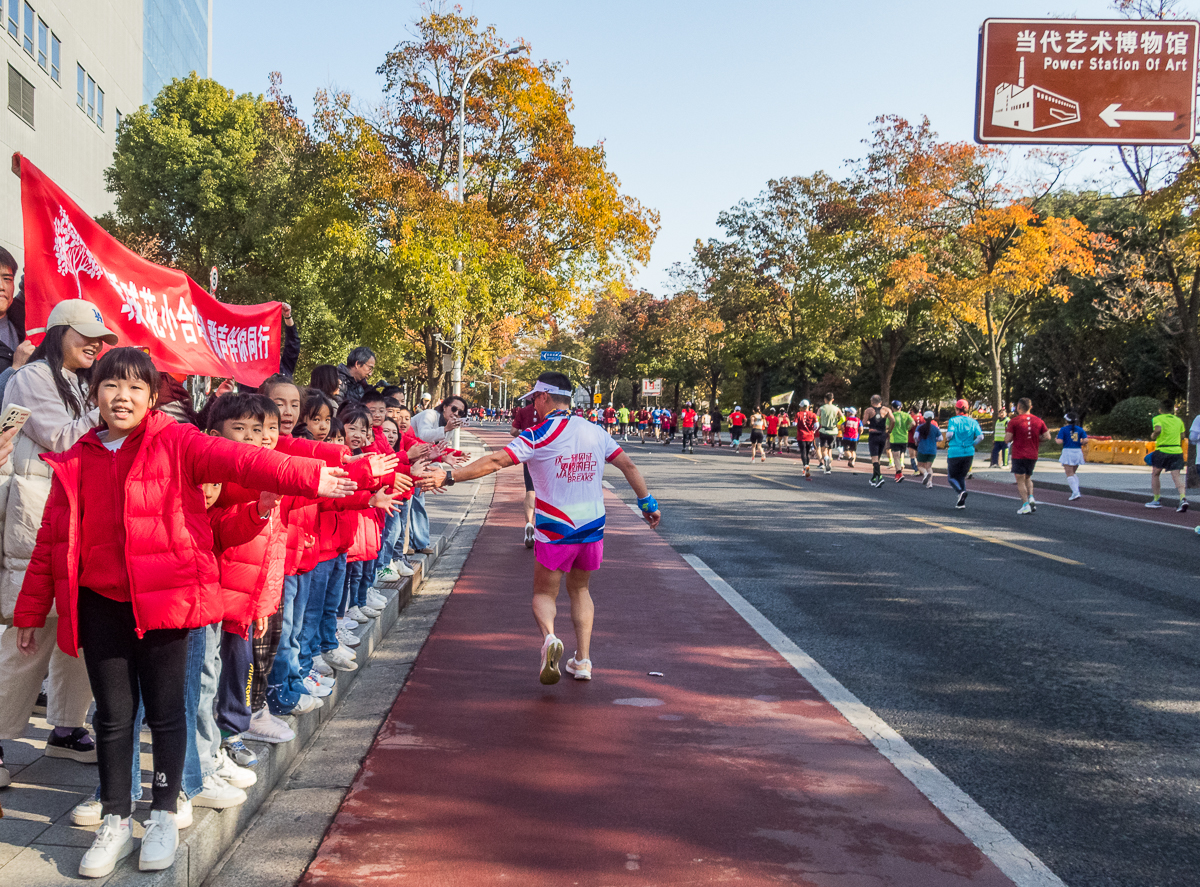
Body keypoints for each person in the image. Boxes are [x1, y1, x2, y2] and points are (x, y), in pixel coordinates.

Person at [13, 347, 354, 878]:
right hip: (102, 606)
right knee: (112, 716)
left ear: (151, 398)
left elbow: (244, 459)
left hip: (169, 602)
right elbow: (50, 538)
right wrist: (30, 612)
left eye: (134, 388)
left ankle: (166, 813)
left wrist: (309, 475)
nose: (121, 397)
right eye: (110, 386)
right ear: (94, 393)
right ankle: (116, 819)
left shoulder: (176, 441)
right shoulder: (76, 456)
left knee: (169, 715)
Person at [420, 372, 660, 684]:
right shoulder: (595, 431)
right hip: (592, 527)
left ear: (544, 397)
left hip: (556, 528)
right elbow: (628, 465)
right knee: (581, 589)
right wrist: (648, 504)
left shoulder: (537, 435)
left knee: (544, 592)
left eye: (534, 397)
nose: (533, 402)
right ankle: (583, 660)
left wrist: (449, 477)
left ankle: (549, 639)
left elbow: (495, 461)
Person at [0, 300, 116, 791]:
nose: (95, 345)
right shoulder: (31, 378)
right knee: (30, 632)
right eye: (85, 335)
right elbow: (64, 438)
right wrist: (112, 404)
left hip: (79, 519)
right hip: (39, 520)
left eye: (100, 338)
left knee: (79, 627)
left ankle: (68, 727)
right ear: (57, 332)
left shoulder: (81, 380)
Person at [1006, 397, 1050, 515]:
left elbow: (1008, 438)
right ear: (1031, 407)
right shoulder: (1039, 421)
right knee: (1028, 477)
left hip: (1019, 454)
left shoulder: (1014, 421)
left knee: (1019, 479)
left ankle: (1025, 504)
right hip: (1033, 454)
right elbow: (1047, 436)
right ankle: (1031, 497)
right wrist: (1036, 439)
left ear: (1018, 407)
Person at [1147, 402, 1188, 512]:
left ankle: (1156, 499)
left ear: (1160, 409)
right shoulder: (1178, 420)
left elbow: (1158, 429)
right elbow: (1182, 436)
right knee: (1176, 475)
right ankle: (1182, 498)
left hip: (1162, 449)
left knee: (1156, 473)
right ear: (1172, 410)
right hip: (1176, 450)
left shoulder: (1158, 418)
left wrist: (1153, 435)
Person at [511, 395, 540, 547]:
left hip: (530, 453)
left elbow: (513, 431)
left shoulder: (523, 411)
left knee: (530, 490)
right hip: (548, 453)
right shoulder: (549, 412)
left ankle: (529, 523)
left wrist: (525, 436)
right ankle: (544, 529)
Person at [944, 400, 983, 509]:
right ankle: (962, 501)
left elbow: (950, 434)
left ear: (957, 409)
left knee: (951, 477)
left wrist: (948, 438)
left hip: (955, 451)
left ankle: (960, 492)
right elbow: (981, 437)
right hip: (969, 452)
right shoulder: (973, 421)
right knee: (961, 476)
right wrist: (972, 443)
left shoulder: (953, 420)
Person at [0, 248, 26, 373]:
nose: (2, 286)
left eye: (7, 279)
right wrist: (16, 367)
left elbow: (34, 283)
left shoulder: (19, 317)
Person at [1057, 413, 1087, 501]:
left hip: (1068, 451)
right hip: (1077, 451)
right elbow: (1086, 440)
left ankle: (1075, 492)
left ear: (1066, 420)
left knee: (1069, 473)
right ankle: (1076, 490)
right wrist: (1080, 443)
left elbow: (1059, 441)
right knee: (1073, 472)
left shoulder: (1063, 429)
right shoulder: (1079, 429)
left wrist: (1056, 439)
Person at [863, 396, 891, 488]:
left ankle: (880, 477)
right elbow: (893, 420)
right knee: (877, 458)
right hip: (883, 435)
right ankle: (874, 478)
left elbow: (863, 422)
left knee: (874, 458)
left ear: (871, 401)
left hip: (873, 435)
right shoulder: (886, 410)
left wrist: (866, 422)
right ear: (881, 401)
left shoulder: (868, 410)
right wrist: (889, 430)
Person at [886, 400, 913, 483]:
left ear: (892, 408)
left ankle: (899, 473)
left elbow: (887, 426)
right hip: (904, 438)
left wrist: (889, 431)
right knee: (901, 453)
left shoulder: (891, 416)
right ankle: (901, 465)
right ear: (901, 407)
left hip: (895, 439)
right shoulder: (906, 415)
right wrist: (907, 428)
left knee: (896, 456)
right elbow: (913, 423)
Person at [914, 411, 941, 489]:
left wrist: (917, 441)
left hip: (922, 449)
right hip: (932, 450)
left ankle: (925, 474)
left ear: (924, 418)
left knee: (920, 465)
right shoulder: (935, 428)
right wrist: (934, 440)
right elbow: (940, 438)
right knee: (929, 467)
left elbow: (916, 436)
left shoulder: (920, 427)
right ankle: (930, 483)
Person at [816, 394, 843, 474]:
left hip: (824, 430)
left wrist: (820, 422)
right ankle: (829, 466)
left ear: (825, 399)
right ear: (833, 400)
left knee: (824, 448)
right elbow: (843, 418)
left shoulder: (821, 408)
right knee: (830, 449)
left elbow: (816, 418)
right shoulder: (837, 409)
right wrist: (838, 423)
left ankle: (826, 459)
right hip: (833, 431)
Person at [793, 401, 818, 479]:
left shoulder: (798, 414)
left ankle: (805, 466)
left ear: (801, 407)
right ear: (809, 406)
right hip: (810, 436)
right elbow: (816, 425)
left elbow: (794, 424)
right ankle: (807, 465)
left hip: (801, 436)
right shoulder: (813, 414)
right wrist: (812, 430)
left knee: (803, 452)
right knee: (807, 452)